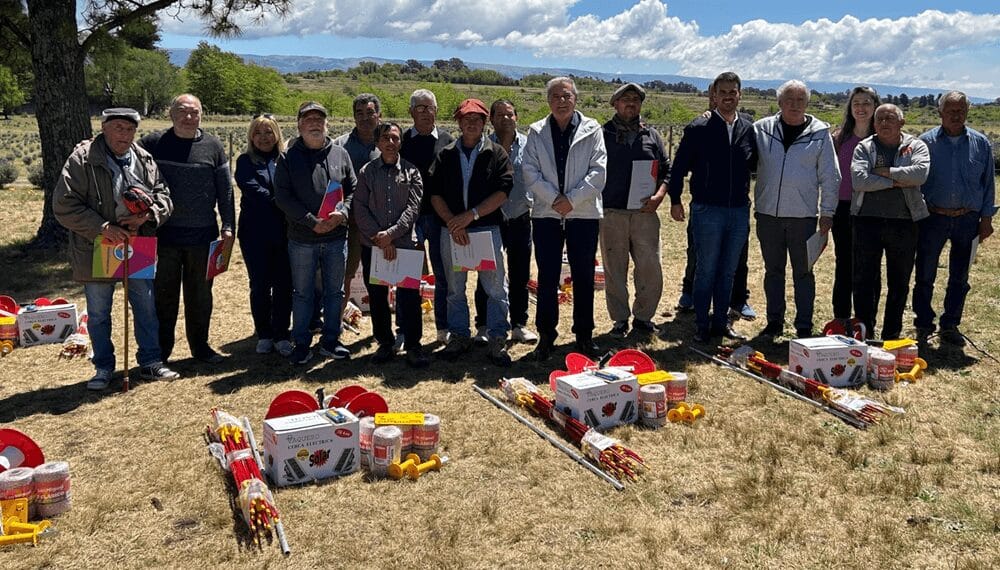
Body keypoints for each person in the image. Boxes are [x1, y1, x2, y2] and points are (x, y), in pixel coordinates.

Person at [54, 108, 179, 390]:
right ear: (104, 128)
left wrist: (147, 216)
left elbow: (164, 195)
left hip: (137, 243)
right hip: (97, 245)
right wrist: (102, 227)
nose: (124, 134)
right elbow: (64, 205)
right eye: (118, 128)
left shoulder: (144, 158)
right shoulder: (82, 158)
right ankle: (103, 368)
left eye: (129, 129)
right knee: (99, 311)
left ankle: (150, 362)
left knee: (146, 305)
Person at [139, 94, 235, 365]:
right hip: (161, 237)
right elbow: (124, 159)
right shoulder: (152, 144)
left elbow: (225, 191)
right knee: (163, 297)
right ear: (171, 114)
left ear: (201, 115)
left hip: (203, 237)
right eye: (182, 111)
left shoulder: (213, 147)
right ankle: (160, 353)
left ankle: (200, 348)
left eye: (194, 112)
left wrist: (228, 226)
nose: (188, 117)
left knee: (200, 297)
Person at [668, 72, 756, 343]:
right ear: (714, 96)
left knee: (728, 269)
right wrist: (675, 199)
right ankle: (702, 323)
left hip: (739, 209)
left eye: (733, 92)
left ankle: (721, 322)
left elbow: (755, 165)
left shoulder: (749, 127)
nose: (729, 97)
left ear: (740, 95)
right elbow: (679, 166)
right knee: (706, 268)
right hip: (707, 209)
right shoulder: (698, 128)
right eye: (723, 92)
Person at [523, 77, 607, 360]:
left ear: (575, 99)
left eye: (567, 96)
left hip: (582, 213)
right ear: (548, 101)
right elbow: (530, 172)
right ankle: (546, 335)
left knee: (583, 276)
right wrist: (554, 199)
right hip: (546, 214)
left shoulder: (592, 129)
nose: (561, 101)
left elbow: (598, 172)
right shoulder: (536, 132)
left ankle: (584, 335)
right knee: (547, 277)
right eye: (556, 96)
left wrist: (571, 200)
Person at [429, 98, 514, 366]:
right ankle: (459, 336)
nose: (471, 123)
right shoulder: (446, 154)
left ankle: (498, 336)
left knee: (495, 287)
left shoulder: (497, 152)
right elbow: (434, 193)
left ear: (484, 122)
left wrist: (472, 215)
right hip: (452, 231)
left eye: (477, 119)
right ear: (458, 122)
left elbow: (503, 191)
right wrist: (453, 222)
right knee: (455, 289)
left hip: (486, 229)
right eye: (466, 118)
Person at [753, 80, 840, 338]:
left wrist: (827, 212)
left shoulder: (820, 133)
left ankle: (803, 326)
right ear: (779, 103)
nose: (794, 105)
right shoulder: (761, 129)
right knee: (773, 271)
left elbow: (831, 176)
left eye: (800, 100)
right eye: (789, 100)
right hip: (768, 215)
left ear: (807, 103)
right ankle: (774, 323)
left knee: (804, 273)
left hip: (804, 217)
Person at [274, 101, 357, 364]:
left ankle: (330, 341)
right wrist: (311, 221)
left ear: (326, 124)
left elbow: (353, 189)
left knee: (335, 292)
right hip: (302, 240)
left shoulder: (340, 154)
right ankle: (301, 343)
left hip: (335, 238)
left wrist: (342, 213)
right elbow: (283, 197)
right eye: (308, 119)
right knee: (302, 293)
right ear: (299, 125)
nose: (314, 124)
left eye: (319, 119)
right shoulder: (287, 157)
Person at [913, 91, 996, 345]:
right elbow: (915, 182)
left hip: (967, 220)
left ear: (967, 112)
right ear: (940, 113)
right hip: (932, 218)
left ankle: (950, 324)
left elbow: (988, 183)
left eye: (961, 110)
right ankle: (924, 324)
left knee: (960, 277)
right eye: (950, 111)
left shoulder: (981, 143)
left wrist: (986, 219)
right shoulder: (925, 142)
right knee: (925, 274)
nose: (956, 115)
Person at [850, 104, 930, 340]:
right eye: (880, 119)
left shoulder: (916, 146)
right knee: (864, 280)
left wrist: (885, 172)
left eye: (890, 118)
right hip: (867, 221)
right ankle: (864, 333)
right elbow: (860, 181)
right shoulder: (864, 147)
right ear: (874, 125)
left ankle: (891, 335)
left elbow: (920, 175)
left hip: (904, 223)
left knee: (899, 281)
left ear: (901, 123)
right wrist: (897, 180)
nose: (884, 122)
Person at [354, 122, 429, 368]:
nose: (390, 142)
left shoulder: (412, 173)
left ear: (400, 143)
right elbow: (360, 208)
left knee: (409, 297)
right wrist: (379, 236)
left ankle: (413, 345)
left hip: (405, 245)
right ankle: (385, 343)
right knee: (377, 297)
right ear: (378, 143)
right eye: (385, 137)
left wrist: (392, 235)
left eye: (395, 138)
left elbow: (413, 209)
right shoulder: (366, 172)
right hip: (373, 246)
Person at [599, 83, 670, 337]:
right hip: (612, 213)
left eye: (635, 99)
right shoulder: (601, 134)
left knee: (651, 267)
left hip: (645, 213)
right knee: (615, 269)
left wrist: (660, 195)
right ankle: (619, 320)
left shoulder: (651, 135)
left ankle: (643, 317)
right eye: (625, 99)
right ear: (615, 104)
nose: (631, 103)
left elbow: (667, 171)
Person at [471, 100, 539, 345]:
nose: (505, 119)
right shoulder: (483, 146)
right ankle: (483, 325)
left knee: (520, 273)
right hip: (492, 219)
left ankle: (519, 323)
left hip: (521, 217)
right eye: (499, 115)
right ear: (491, 119)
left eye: (510, 114)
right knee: (487, 275)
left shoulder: (530, 145)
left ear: (517, 117)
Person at [234, 114, 293, 357]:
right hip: (254, 233)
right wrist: (285, 203)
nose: (264, 137)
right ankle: (264, 334)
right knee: (259, 285)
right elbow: (251, 188)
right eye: (258, 133)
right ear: (251, 137)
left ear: (277, 134)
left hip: (285, 232)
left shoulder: (286, 160)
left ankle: (281, 333)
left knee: (283, 285)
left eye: (268, 132)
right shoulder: (245, 161)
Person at [400, 89, 455, 345]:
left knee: (443, 274)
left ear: (436, 110)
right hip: (409, 218)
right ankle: (405, 330)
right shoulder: (399, 142)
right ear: (411, 112)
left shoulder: (447, 140)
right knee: (408, 277)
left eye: (429, 107)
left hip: (439, 218)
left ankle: (443, 326)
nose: (424, 112)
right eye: (419, 108)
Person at [830, 86, 880, 324]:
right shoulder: (839, 139)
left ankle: (866, 321)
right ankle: (840, 318)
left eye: (867, 103)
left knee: (870, 267)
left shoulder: (883, 139)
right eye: (856, 103)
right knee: (844, 263)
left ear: (875, 106)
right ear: (850, 108)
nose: (861, 108)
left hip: (873, 209)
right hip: (843, 208)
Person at [334, 93, 382, 328]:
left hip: (383, 225)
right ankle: (336, 323)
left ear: (379, 115)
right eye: (359, 114)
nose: (365, 118)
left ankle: (384, 329)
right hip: (350, 223)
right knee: (346, 275)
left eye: (370, 113)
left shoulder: (390, 143)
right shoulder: (339, 145)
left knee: (382, 277)